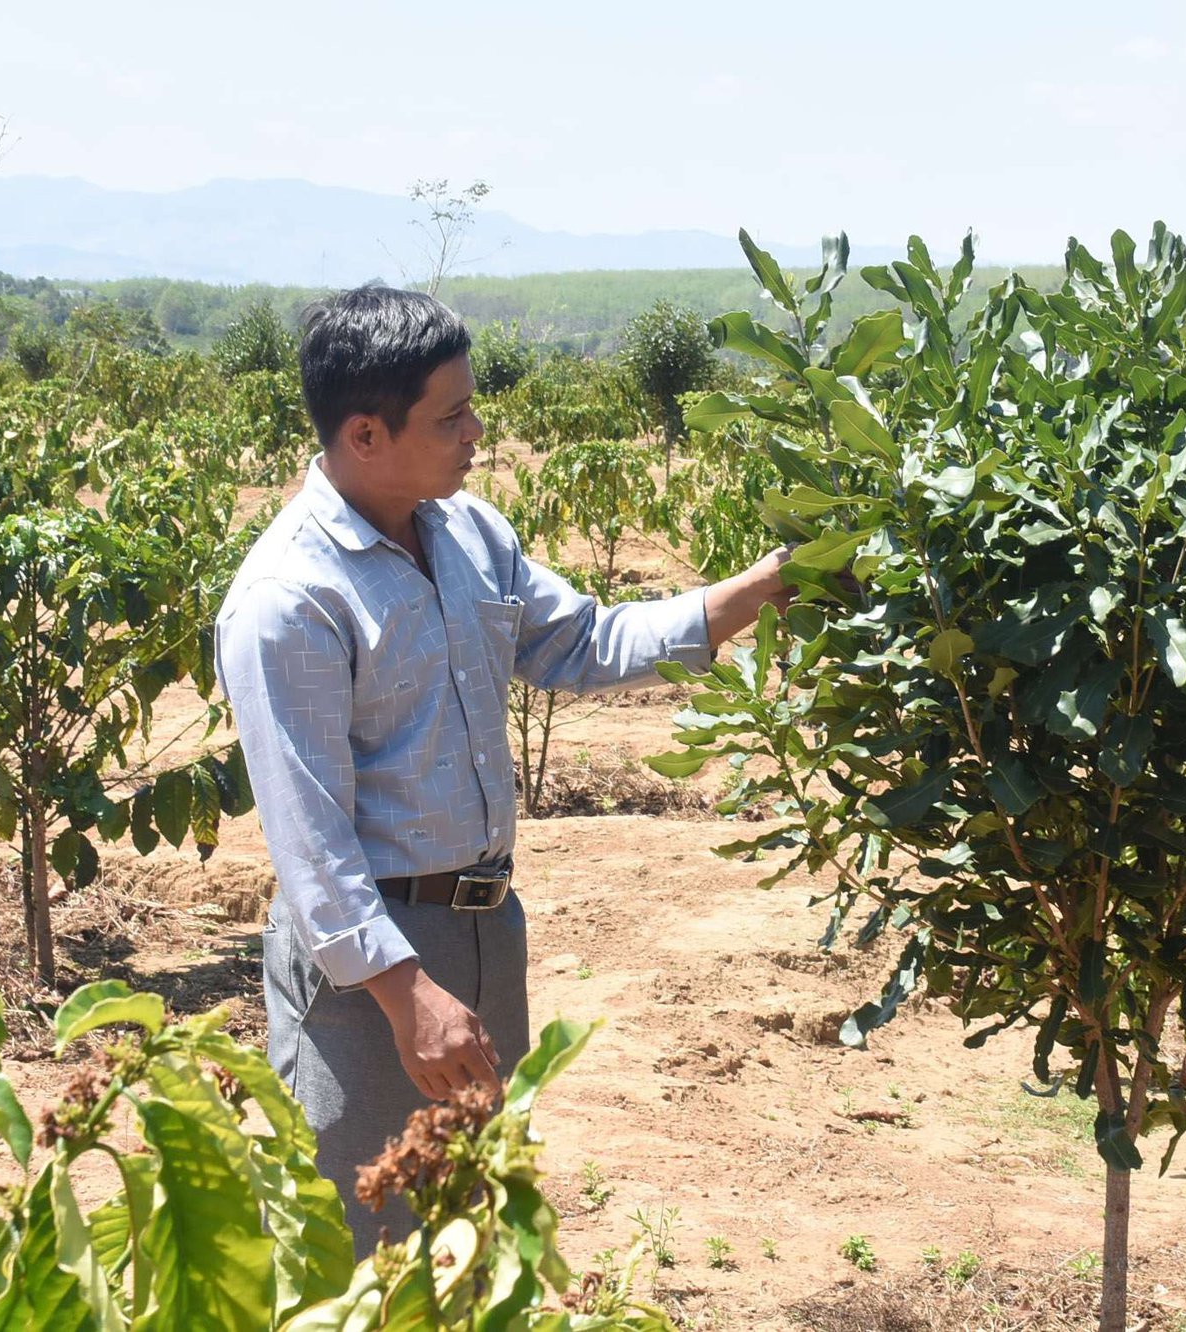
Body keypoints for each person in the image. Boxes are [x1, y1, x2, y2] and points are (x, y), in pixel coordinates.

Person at [216, 284, 792, 1256]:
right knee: (363, 1248)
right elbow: (310, 843)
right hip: (372, 968)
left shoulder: (470, 536)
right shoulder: (288, 598)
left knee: (468, 1233)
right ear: (364, 435)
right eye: (451, 417)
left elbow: (589, 644)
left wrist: (767, 585)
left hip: (487, 933)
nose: (477, 430)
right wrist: (408, 997)